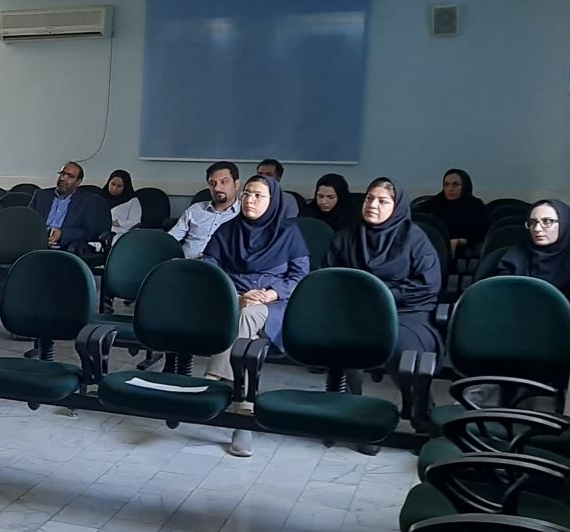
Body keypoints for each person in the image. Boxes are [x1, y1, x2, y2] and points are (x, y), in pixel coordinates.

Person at [202, 175, 310, 457]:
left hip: (276, 304)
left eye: (258, 195)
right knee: (245, 327)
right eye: (247, 194)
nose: (250, 200)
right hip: (233, 298)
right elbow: (209, 267)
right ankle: (244, 413)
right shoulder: (228, 230)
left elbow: (301, 276)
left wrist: (271, 293)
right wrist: (235, 295)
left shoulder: (288, 233)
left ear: (273, 201)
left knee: (248, 315)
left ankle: (213, 380)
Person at [326, 180, 443, 430]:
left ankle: (421, 409)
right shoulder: (346, 238)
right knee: (345, 342)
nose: (373, 205)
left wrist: (383, 295)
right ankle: (353, 416)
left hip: (405, 312)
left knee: (403, 348)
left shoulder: (415, 239)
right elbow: (330, 278)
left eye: (382, 201)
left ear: (397, 206)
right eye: (369, 198)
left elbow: (427, 286)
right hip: (357, 310)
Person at [495, 199, 570, 410]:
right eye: (532, 223)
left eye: (547, 222)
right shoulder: (515, 256)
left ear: (565, 224)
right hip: (518, 327)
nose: (538, 228)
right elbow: (498, 298)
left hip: (568, 333)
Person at [27, 162, 111, 256]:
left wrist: (62, 234)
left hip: (66, 248)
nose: (63, 178)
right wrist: (40, 238)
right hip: (36, 245)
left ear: (78, 182)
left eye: (70, 176)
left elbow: (90, 232)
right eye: (62, 174)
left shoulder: (87, 201)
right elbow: (27, 222)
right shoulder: (40, 195)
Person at [170, 162, 241, 258]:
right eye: (212, 184)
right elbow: (171, 238)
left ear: (236, 184)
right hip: (186, 263)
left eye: (223, 182)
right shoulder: (195, 210)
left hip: (220, 266)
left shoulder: (245, 212)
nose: (217, 188)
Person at [418, 168, 488, 253]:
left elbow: (481, 233)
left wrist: (461, 241)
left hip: (466, 253)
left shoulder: (476, 206)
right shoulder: (433, 204)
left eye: (455, 184)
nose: (450, 189)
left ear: (465, 186)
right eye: (446, 184)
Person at [103, 169, 141, 242]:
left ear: (125, 187)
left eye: (119, 186)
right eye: (112, 184)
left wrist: (119, 223)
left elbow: (136, 223)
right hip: (99, 234)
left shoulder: (133, 201)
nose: (114, 188)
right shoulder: (100, 197)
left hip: (120, 235)